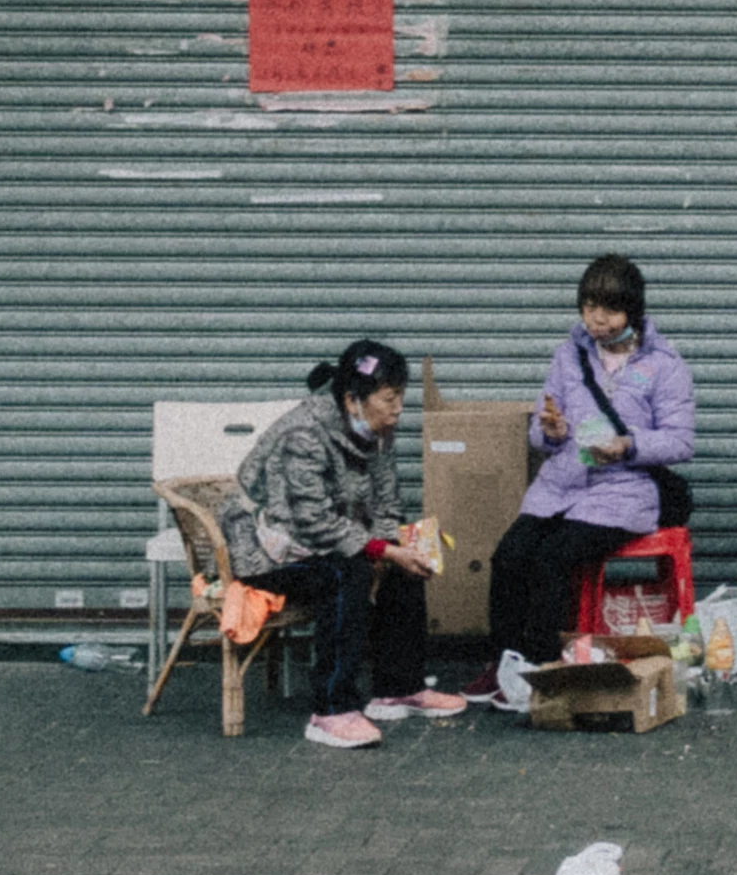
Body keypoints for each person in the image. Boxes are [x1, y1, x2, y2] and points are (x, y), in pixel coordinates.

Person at [218, 338, 462, 752]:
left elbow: (387, 500)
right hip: (269, 547)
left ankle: (398, 688)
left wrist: (391, 545)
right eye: (389, 398)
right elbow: (309, 521)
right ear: (353, 400)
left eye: (400, 396)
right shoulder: (303, 435)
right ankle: (331, 709)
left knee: (404, 558)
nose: (398, 408)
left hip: (334, 537)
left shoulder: (378, 428)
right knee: (345, 572)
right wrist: (378, 551)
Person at [488, 253, 697, 668]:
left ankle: (545, 668)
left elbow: (680, 441)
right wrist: (549, 430)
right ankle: (503, 664)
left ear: (633, 312)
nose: (597, 320)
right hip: (560, 486)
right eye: (589, 307)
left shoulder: (664, 366)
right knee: (509, 556)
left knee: (553, 559)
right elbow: (540, 428)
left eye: (610, 310)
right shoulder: (568, 355)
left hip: (622, 493)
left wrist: (627, 445)